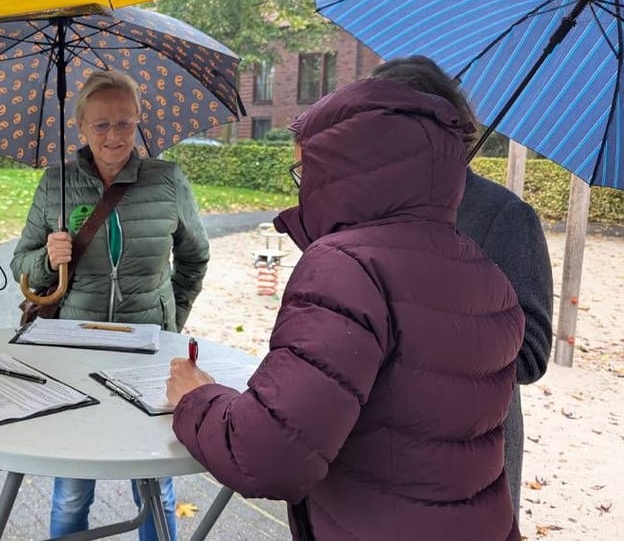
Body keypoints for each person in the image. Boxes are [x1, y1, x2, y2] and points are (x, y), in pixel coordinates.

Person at [167, 77, 525, 539]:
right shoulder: (484, 273)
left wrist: (197, 397)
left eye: (305, 170)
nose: (301, 189)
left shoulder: (346, 267)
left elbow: (267, 456)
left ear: (343, 168)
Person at [11, 69, 210, 541]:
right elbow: (23, 263)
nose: (114, 135)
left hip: (149, 352)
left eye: (124, 122)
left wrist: (170, 321)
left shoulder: (167, 180)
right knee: (73, 487)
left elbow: (194, 256)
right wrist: (47, 258)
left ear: (138, 121)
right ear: (80, 127)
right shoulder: (56, 183)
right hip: (76, 351)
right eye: (101, 124)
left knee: (155, 484)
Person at [370, 55, 554, 516]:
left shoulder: (506, 218)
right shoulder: (375, 205)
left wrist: (436, 316)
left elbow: (531, 355)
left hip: (469, 469)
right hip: (379, 455)